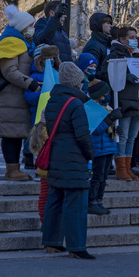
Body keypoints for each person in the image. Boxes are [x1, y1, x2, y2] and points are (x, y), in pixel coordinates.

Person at [42, 62, 95, 259]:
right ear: (75, 82)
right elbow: (82, 135)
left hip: (56, 155)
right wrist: (90, 154)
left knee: (55, 199)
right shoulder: (75, 103)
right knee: (76, 202)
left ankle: (51, 242)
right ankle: (77, 246)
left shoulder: (52, 101)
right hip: (73, 158)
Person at [0, 5, 39, 181]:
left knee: (16, 134)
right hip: (10, 97)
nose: (33, 29)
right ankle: (12, 170)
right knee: (11, 135)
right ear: (22, 27)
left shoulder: (23, 44)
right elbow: (10, 71)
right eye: (30, 26)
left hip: (16, 98)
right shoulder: (12, 43)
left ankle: (14, 169)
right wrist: (31, 84)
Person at [107, 26, 139, 180]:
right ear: (121, 39)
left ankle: (127, 167)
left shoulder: (137, 58)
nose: (135, 40)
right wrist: (124, 77)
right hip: (125, 103)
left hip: (138, 103)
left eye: (135, 37)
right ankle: (121, 168)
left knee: (132, 138)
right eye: (131, 37)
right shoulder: (115, 55)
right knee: (123, 137)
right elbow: (105, 75)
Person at [86, 79, 122, 213]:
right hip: (99, 148)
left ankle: (99, 200)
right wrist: (111, 118)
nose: (108, 95)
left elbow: (108, 128)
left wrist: (117, 129)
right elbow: (96, 129)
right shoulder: (92, 108)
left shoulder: (107, 108)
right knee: (97, 176)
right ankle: (92, 201)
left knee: (104, 177)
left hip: (108, 147)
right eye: (105, 93)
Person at [24, 44, 61, 169]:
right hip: (38, 113)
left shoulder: (57, 74)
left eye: (52, 57)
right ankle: (33, 160)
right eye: (47, 58)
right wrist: (42, 93)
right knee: (39, 138)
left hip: (54, 113)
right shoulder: (34, 77)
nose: (50, 60)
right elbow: (29, 97)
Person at [83, 12, 113, 81]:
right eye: (107, 23)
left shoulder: (104, 43)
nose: (110, 26)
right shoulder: (93, 45)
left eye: (110, 23)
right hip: (97, 86)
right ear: (99, 25)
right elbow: (91, 70)